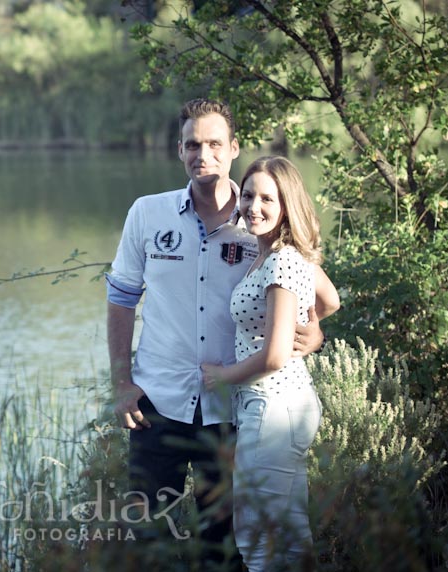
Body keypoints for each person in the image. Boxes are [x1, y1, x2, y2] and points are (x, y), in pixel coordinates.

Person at [106, 99, 339, 567]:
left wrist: (312, 333)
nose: (203, 154)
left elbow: (310, 286)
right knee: (148, 539)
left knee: (227, 544)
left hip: (231, 411)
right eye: (193, 144)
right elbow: (121, 299)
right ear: (179, 151)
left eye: (214, 143)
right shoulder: (147, 215)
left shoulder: (260, 219)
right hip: (158, 404)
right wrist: (122, 384)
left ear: (233, 148)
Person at [200, 156, 334, 571]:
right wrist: (309, 330)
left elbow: (275, 356)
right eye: (249, 195)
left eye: (267, 199)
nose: (254, 206)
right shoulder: (277, 253)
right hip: (286, 404)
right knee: (291, 537)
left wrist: (222, 377)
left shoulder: (280, 260)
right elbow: (330, 300)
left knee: (257, 541)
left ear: (286, 205)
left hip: (272, 408)